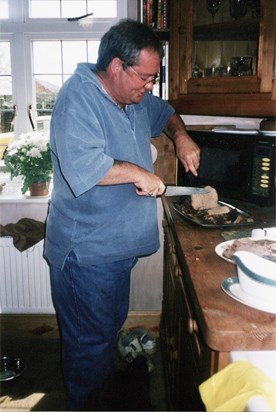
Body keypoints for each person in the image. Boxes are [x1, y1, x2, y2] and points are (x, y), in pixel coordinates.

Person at [44, 18, 200, 411]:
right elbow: (87, 167)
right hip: (87, 255)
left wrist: (180, 136)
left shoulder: (133, 98)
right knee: (88, 348)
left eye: (153, 79)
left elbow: (165, 111)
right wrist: (138, 172)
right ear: (116, 67)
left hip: (115, 252)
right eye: (145, 78)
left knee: (104, 335)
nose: (149, 87)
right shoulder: (76, 100)